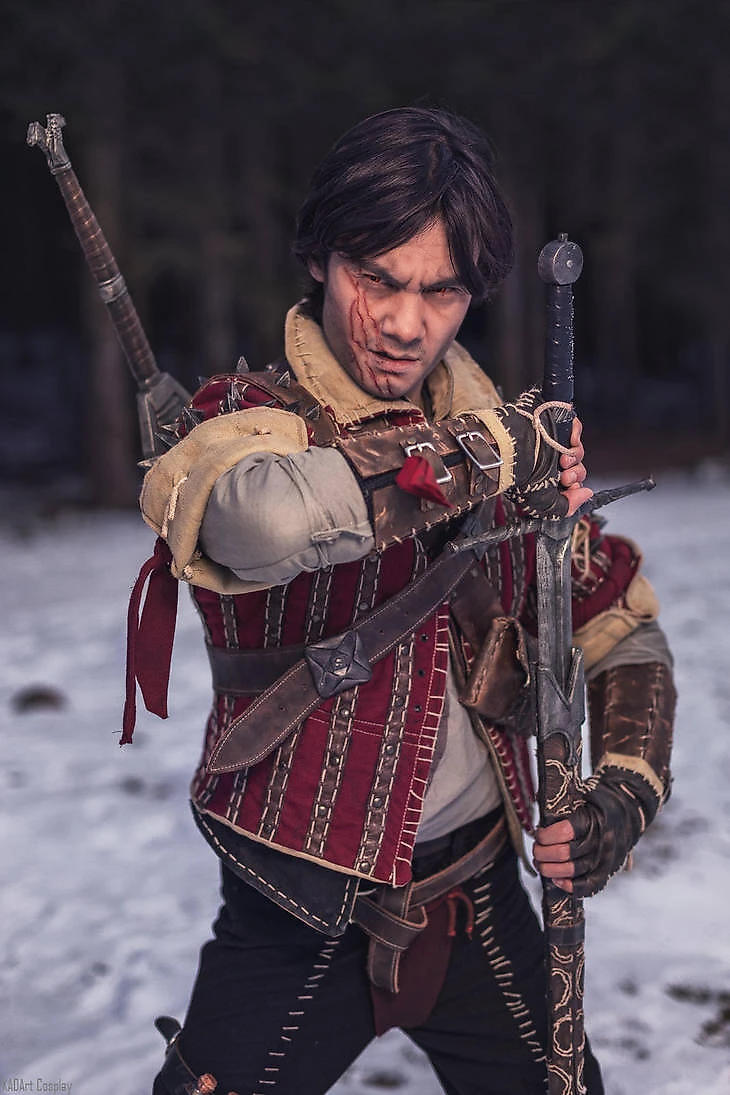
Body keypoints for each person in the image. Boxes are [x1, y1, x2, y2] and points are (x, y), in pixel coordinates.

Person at [125, 107, 675, 1095]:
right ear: (320, 260)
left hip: (480, 903)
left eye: (440, 289)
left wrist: (625, 793)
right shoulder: (241, 422)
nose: (405, 323)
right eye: (376, 278)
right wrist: (486, 454)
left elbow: (621, 624)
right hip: (291, 914)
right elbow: (265, 523)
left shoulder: (513, 442)